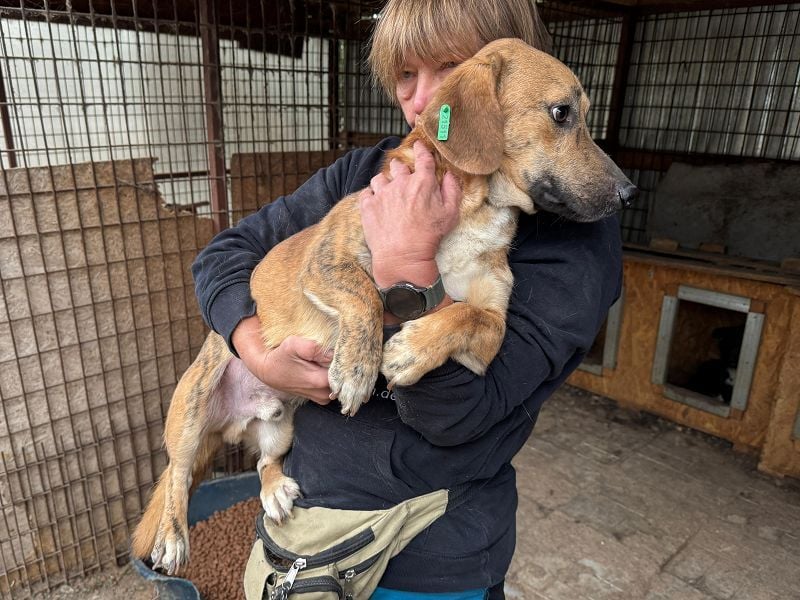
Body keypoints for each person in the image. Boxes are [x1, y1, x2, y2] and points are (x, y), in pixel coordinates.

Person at [191, 0, 622, 597]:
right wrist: (253, 349)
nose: (423, 103)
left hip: (431, 555)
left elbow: (460, 418)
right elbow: (223, 255)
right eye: (404, 74)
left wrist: (405, 269)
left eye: (451, 67)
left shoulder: (568, 246)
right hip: (306, 522)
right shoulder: (367, 172)